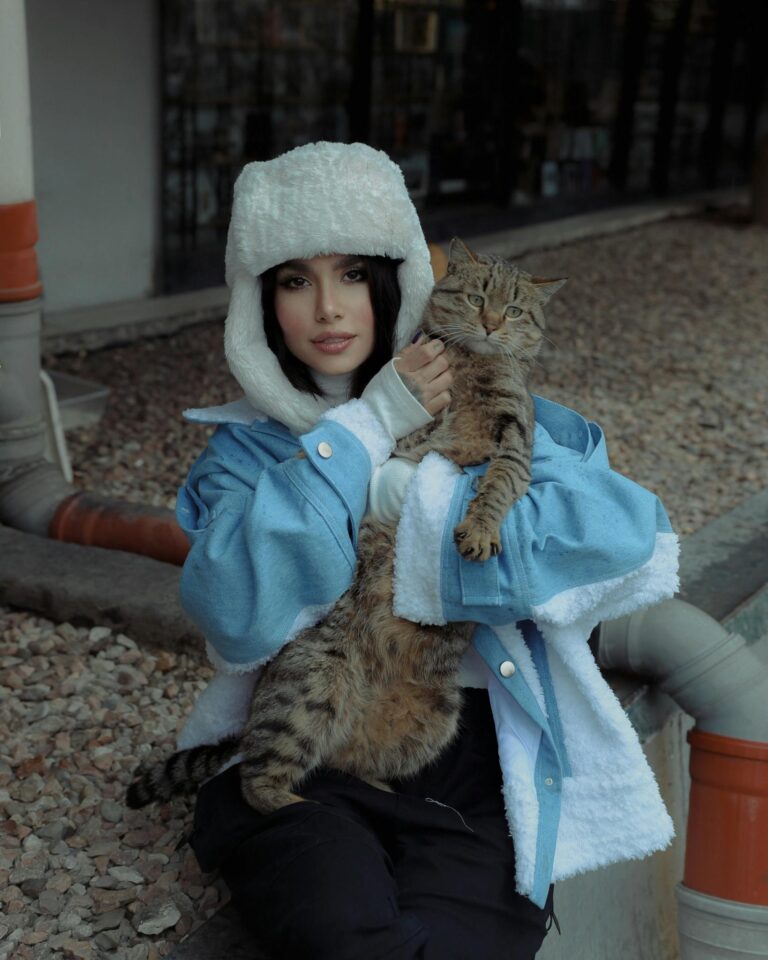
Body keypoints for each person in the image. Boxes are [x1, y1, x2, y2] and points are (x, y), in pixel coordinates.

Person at [174, 142, 679, 960]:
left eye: (352, 274)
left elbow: (619, 535)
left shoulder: (487, 390)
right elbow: (235, 610)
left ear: (398, 279)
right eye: (295, 280)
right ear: (260, 303)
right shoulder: (242, 453)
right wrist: (366, 431)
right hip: (316, 753)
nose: (329, 309)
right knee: (340, 929)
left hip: (467, 754)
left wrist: (416, 506)